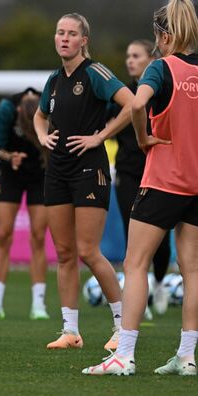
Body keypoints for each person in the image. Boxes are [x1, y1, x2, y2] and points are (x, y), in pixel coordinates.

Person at [83, 0, 198, 376]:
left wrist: (144, 137)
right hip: (197, 185)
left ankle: (124, 355)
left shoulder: (161, 68)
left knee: (135, 265)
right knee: (192, 271)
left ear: (163, 36)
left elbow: (136, 105)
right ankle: (187, 356)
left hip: (163, 182)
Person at [33, 13, 133, 351]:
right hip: (57, 171)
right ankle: (70, 332)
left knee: (89, 251)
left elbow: (132, 105)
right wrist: (42, 136)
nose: (64, 38)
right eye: (60, 32)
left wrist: (100, 136)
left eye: (71, 33)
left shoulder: (96, 73)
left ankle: (123, 327)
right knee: (64, 253)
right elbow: (39, 114)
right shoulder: (53, 79)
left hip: (90, 169)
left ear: (83, 40)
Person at [112, 39, 172, 317]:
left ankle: (159, 283)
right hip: (128, 172)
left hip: (160, 173)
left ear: (151, 59)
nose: (130, 61)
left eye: (136, 55)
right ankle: (139, 295)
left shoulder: (163, 90)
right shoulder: (121, 95)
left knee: (160, 238)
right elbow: (106, 125)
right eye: (128, 55)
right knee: (131, 233)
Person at [0, 88, 50, 321]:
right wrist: (10, 157)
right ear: (19, 111)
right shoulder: (6, 109)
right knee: (3, 234)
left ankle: (38, 304)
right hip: (11, 174)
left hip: (40, 175)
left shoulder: (49, 103)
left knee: (39, 237)